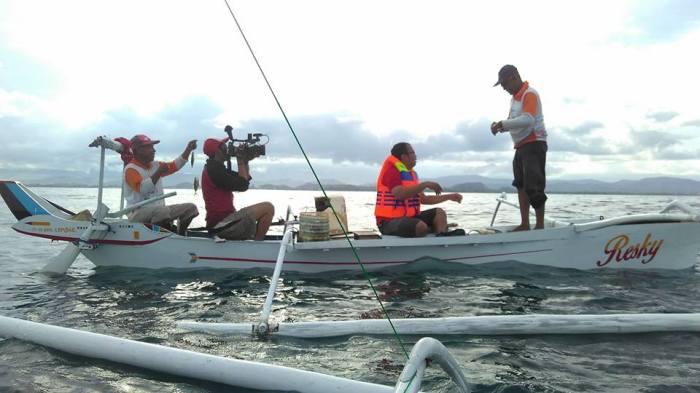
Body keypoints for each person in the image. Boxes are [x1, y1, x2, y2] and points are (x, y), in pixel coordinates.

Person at [491, 64, 548, 231]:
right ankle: (525, 224)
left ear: (514, 78)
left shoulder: (529, 94)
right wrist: (500, 126)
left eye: (504, 84)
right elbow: (513, 122)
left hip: (534, 143)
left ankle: (540, 226)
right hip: (521, 146)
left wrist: (504, 123)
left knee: (534, 186)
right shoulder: (514, 99)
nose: (503, 88)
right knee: (520, 184)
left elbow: (528, 120)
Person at [375, 142, 463, 237]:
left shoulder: (410, 175)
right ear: (404, 157)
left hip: (410, 218)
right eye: (412, 153)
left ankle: (441, 235)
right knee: (420, 226)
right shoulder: (392, 171)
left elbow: (424, 199)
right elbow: (400, 194)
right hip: (388, 222)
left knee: (439, 213)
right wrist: (424, 184)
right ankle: (431, 229)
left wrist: (449, 196)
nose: (415, 156)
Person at [201, 137, 274, 241]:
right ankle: (257, 246)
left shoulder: (216, 168)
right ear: (217, 151)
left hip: (224, 222)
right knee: (268, 208)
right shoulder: (214, 171)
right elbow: (243, 185)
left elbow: (244, 178)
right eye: (224, 147)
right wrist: (240, 160)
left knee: (267, 208)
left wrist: (245, 161)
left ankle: (256, 242)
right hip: (221, 225)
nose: (228, 149)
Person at [123, 134, 199, 235]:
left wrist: (188, 149)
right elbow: (143, 190)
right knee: (162, 212)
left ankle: (179, 234)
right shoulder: (130, 169)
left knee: (191, 208)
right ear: (137, 150)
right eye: (149, 147)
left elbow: (175, 165)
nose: (153, 150)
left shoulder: (155, 165)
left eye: (152, 147)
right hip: (137, 213)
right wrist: (158, 172)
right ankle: (158, 236)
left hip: (160, 211)